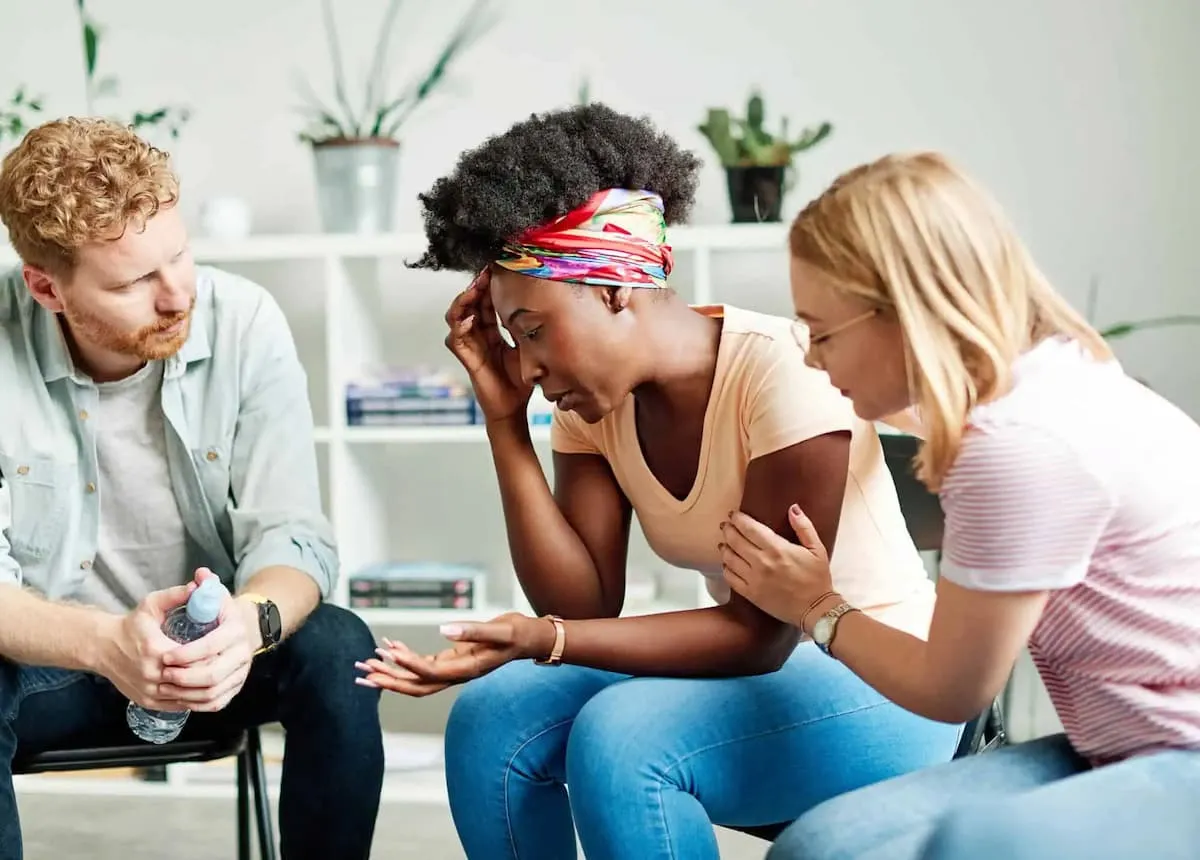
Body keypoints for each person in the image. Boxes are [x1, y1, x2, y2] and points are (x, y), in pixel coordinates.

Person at [354, 104, 961, 860]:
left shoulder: (782, 371)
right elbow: (581, 605)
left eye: (534, 330)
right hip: (767, 669)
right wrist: (506, 424)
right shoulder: (592, 400)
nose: (528, 367)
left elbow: (756, 634)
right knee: (491, 715)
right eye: (513, 341)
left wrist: (541, 639)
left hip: (883, 679)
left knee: (624, 741)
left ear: (613, 288)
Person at [710, 152, 1200, 860]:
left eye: (822, 333)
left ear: (905, 314)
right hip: (1125, 741)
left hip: (1181, 747)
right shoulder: (1056, 375)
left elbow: (951, 690)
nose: (811, 360)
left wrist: (815, 604)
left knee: (975, 845)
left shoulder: (1016, 448)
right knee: (818, 846)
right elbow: (925, 418)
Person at [0, 117, 384, 859]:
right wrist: (110, 643)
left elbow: (293, 535)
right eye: (135, 280)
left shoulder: (242, 322)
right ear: (46, 286)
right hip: (59, 667)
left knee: (340, 647)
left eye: (178, 255)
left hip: (216, 664)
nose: (178, 295)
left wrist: (247, 624)